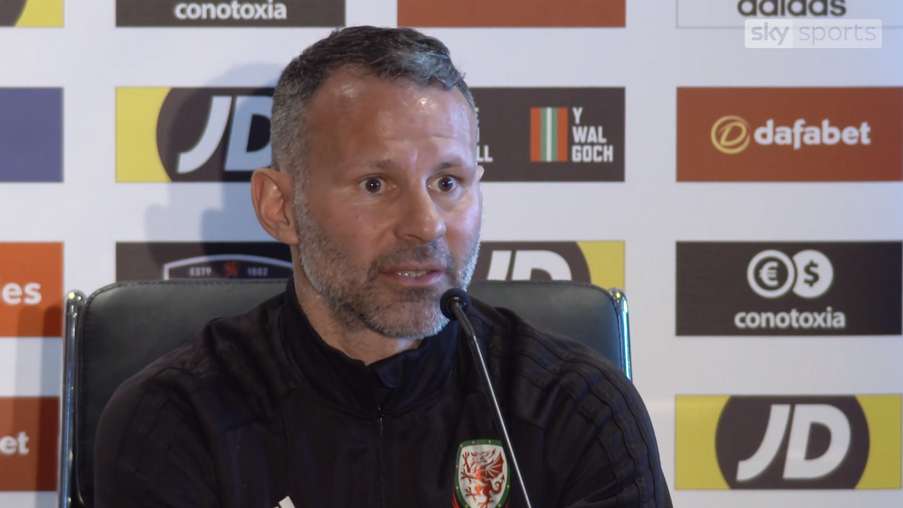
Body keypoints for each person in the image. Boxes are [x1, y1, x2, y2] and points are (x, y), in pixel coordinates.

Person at [95, 26, 672, 508]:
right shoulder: (177, 419)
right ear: (280, 208)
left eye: (448, 182)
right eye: (375, 184)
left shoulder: (575, 407)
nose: (426, 224)